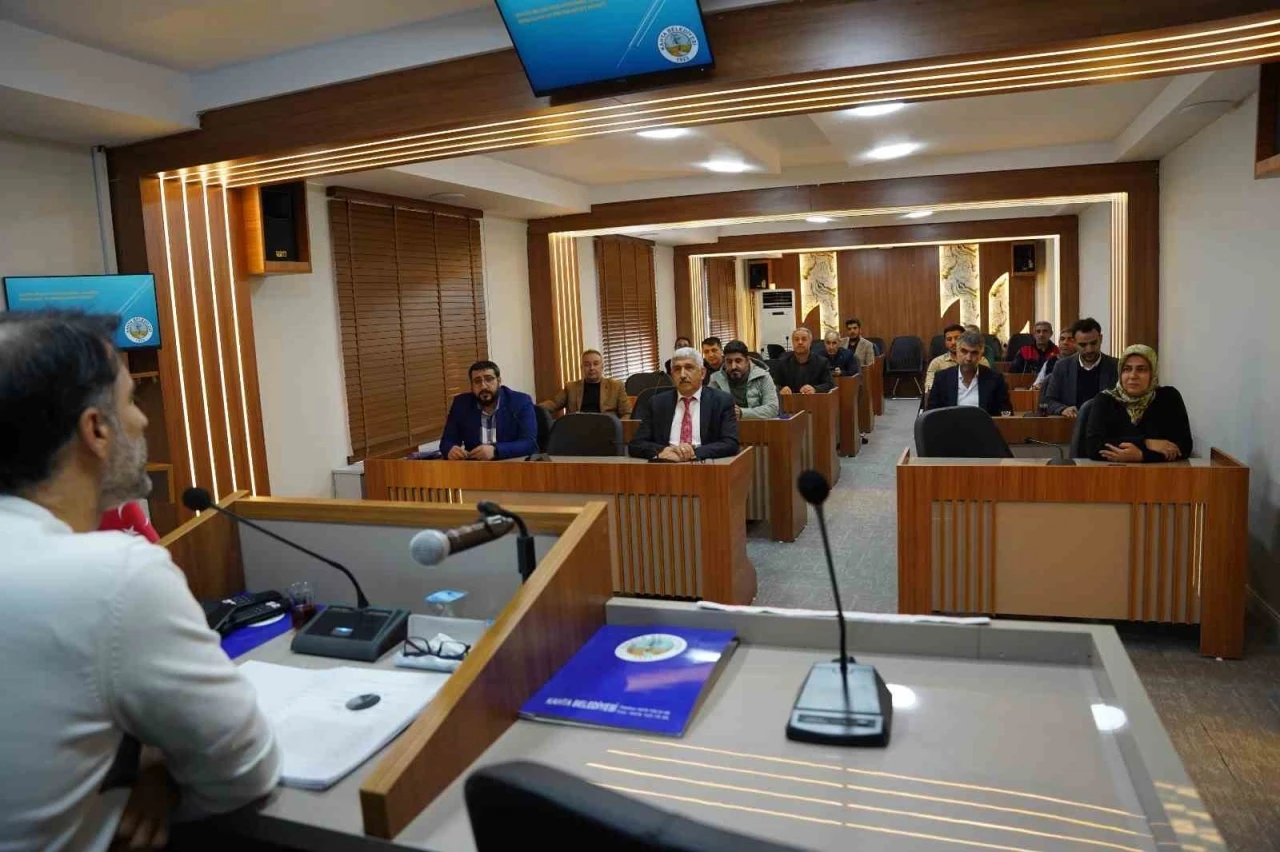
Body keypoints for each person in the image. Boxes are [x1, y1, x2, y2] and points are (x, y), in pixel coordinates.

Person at [0, 312, 280, 851]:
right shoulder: (115, 576)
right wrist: (161, 771)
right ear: (96, 431)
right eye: (130, 400)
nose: (144, 419)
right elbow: (247, 769)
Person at [1085, 345, 1192, 463]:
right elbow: (1094, 446)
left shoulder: (1169, 397)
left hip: (1160, 472)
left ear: (1153, 373)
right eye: (1127, 369)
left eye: (1141, 369)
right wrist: (1147, 443)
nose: (1133, 376)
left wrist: (1142, 456)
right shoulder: (1105, 400)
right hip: (1113, 472)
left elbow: (1183, 446)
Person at [629, 347, 739, 460]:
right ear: (671, 374)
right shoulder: (657, 403)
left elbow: (730, 443)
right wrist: (664, 450)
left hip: (703, 463)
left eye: (689, 368)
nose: (682, 375)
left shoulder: (721, 401)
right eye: (677, 369)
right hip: (666, 462)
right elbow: (636, 444)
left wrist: (692, 453)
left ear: (702, 373)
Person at [440, 360, 538, 460]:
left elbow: (529, 444)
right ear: (471, 386)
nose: (483, 386)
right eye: (477, 381)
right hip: (476, 465)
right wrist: (450, 450)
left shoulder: (520, 402)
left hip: (511, 463)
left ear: (499, 381)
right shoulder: (461, 404)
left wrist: (496, 451)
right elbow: (446, 442)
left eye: (489, 379)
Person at [1043, 317, 1118, 419]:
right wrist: (1063, 409)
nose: (1089, 349)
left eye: (1093, 343)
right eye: (1083, 345)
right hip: (1071, 424)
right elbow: (1049, 401)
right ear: (1074, 342)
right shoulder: (1062, 366)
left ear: (1100, 339)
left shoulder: (1116, 366)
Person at [926, 330, 1012, 416]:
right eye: (964, 351)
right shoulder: (942, 378)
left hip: (982, 424)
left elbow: (1006, 414)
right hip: (950, 424)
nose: (968, 358)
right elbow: (931, 414)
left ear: (981, 355)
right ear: (957, 351)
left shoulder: (995, 380)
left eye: (974, 353)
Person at [540, 349, 631, 418]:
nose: (591, 368)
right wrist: (533, 409)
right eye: (587, 365)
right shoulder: (571, 387)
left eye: (596, 364)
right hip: (578, 428)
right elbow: (554, 404)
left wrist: (619, 428)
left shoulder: (616, 386)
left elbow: (627, 412)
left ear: (602, 366)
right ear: (582, 367)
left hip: (606, 429)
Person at [709, 339, 779, 419]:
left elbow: (772, 409)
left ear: (747, 361)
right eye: (729, 362)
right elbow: (707, 409)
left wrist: (742, 413)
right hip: (726, 425)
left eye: (738, 361)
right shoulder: (715, 379)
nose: (733, 366)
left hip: (757, 425)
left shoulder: (763, 377)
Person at [925, 323, 989, 393]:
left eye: (957, 338)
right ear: (945, 343)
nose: (953, 342)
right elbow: (930, 388)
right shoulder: (937, 363)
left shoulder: (981, 361)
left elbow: (987, 387)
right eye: (949, 339)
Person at [771, 328, 833, 395]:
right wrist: (781, 389)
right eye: (796, 339)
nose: (800, 342)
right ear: (792, 342)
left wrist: (815, 389)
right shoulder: (782, 363)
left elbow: (829, 384)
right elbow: (774, 385)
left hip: (814, 400)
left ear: (810, 342)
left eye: (804, 339)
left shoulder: (822, 362)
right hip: (790, 400)